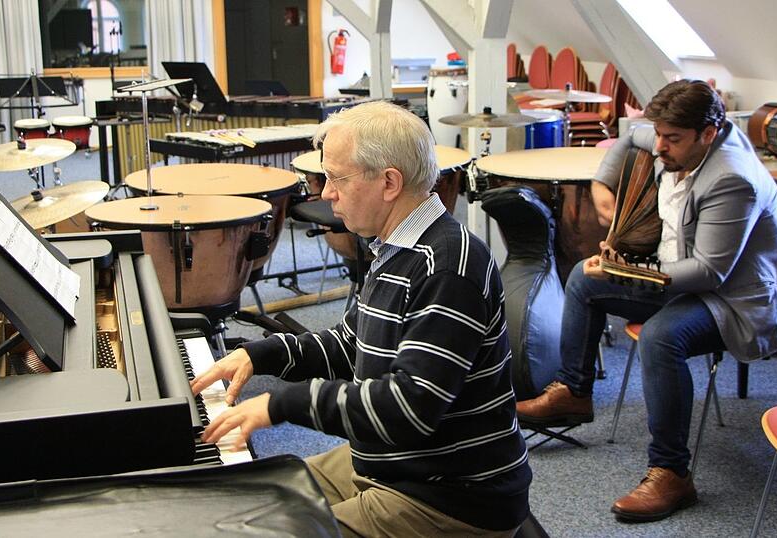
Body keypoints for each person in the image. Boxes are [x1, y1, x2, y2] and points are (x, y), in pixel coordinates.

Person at [191, 101, 532, 537]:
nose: (324, 193)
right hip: (391, 465)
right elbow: (352, 343)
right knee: (256, 498)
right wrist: (260, 356)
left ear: (389, 182)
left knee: (268, 532)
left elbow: (408, 408)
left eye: (336, 178)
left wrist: (281, 403)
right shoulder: (396, 246)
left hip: (449, 495)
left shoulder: (447, 265)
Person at [515, 80, 777, 522]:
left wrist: (625, 272)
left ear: (708, 133)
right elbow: (629, 135)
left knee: (660, 338)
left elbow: (708, 272)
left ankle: (671, 472)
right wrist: (604, 183)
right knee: (582, 282)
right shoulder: (674, 137)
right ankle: (573, 391)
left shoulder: (732, 178)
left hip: (735, 301)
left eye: (672, 139)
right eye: (659, 134)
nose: (660, 146)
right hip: (685, 280)